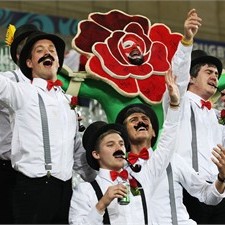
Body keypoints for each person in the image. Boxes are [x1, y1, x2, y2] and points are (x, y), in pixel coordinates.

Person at [0, 30, 96, 223]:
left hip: (64, 189)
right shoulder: (22, 92)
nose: (47, 52)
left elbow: (76, 149)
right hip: (33, 187)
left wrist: (96, 179)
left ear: (59, 62)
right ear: (29, 63)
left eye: (52, 50)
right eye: (40, 50)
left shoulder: (68, 102)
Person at [68, 68, 182, 225]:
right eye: (110, 144)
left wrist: (175, 105)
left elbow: (166, 144)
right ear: (96, 154)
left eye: (121, 143)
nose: (119, 147)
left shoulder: (143, 177)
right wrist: (102, 204)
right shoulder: (86, 191)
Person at [163, 8, 225, 225]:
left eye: (217, 74)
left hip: (218, 189)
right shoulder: (177, 101)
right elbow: (176, 76)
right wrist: (187, 40)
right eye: (209, 71)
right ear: (191, 78)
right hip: (187, 189)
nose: (215, 76)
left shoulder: (217, 115)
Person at [0, 23, 39, 224]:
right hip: (8, 171)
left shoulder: (56, 89)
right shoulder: (8, 81)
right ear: (18, 55)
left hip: (41, 174)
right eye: (30, 47)